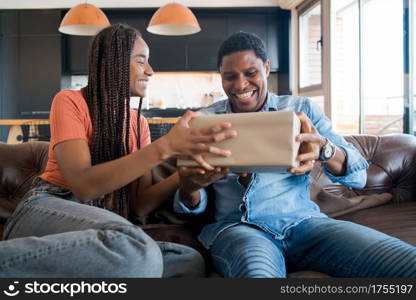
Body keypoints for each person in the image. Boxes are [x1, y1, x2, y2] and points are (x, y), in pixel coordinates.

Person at [0, 23, 237, 278]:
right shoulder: (69, 101)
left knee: (188, 261)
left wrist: (184, 175)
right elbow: (83, 184)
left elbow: (140, 205)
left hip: (103, 223)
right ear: (113, 62)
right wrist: (166, 146)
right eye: (141, 61)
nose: (150, 70)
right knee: (138, 251)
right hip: (50, 206)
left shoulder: (138, 124)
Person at [173, 32, 416, 278]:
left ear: (266, 68)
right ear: (221, 78)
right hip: (240, 229)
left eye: (250, 73)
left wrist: (324, 149)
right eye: (230, 77)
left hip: (306, 224)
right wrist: (188, 188)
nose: (240, 85)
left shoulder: (301, 110)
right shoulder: (204, 120)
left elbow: (360, 177)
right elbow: (190, 205)